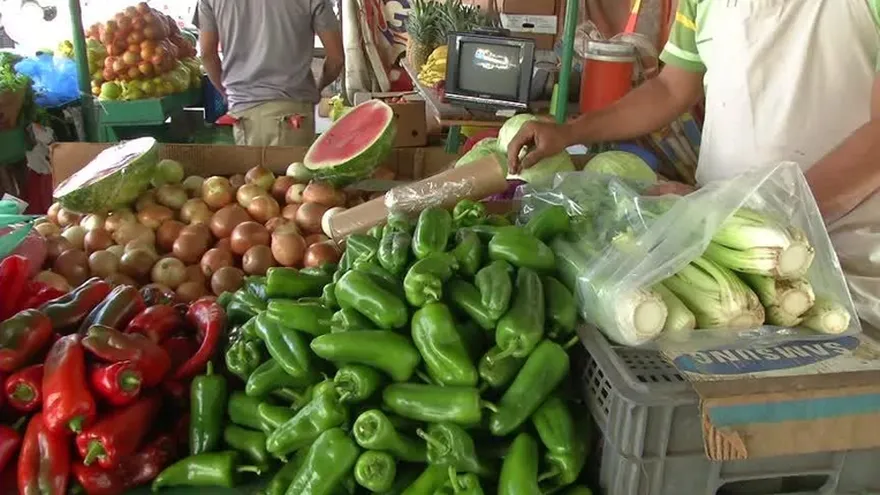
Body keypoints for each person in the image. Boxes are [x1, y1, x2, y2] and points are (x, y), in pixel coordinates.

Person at [508, 0, 880, 328]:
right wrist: (571, 133)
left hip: (845, 256)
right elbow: (671, 88)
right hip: (729, 248)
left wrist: (761, 210)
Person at [198, 0, 344, 146]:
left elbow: (206, 54)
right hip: (293, 114)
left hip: (243, 115)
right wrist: (318, 87)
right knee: (293, 169)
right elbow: (336, 59)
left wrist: (227, 92)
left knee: (251, 169)